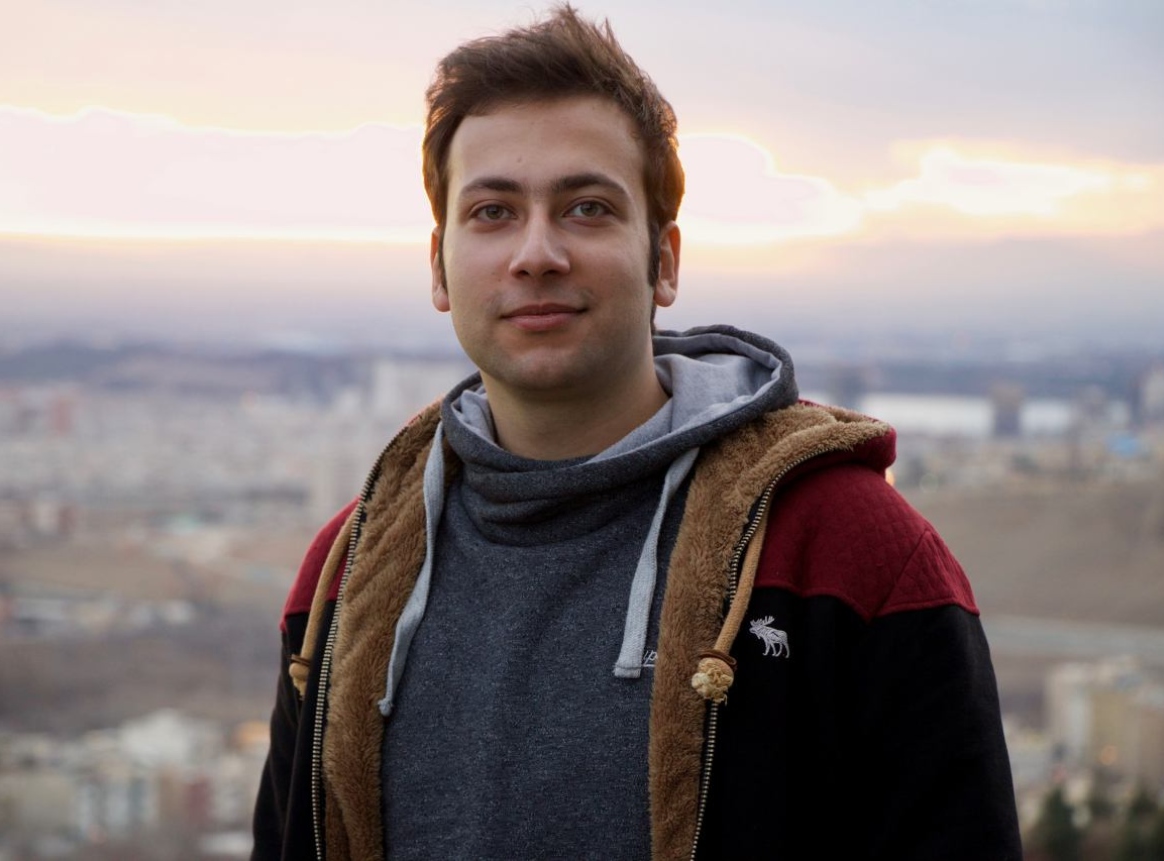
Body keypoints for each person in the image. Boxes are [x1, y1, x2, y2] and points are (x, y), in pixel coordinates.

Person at [252, 6, 1022, 860]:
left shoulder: (848, 551)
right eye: (493, 212)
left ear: (665, 260)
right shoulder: (346, 576)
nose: (536, 253)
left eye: (587, 208)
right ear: (439, 265)